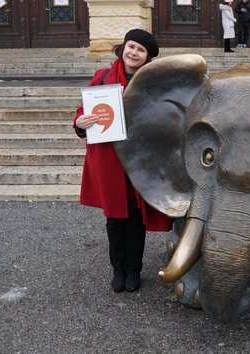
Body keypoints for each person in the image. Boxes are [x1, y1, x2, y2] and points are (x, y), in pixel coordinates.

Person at [73, 29, 173, 293]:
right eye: (131, 46)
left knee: (136, 216)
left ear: (147, 57)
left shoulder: (154, 84)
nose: (134, 53)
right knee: (115, 217)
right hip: (109, 159)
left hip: (140, 160)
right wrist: (80, 123)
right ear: (123, 48)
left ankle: (133, 270)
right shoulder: (102, 79)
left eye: (141, 50)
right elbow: (83, 112)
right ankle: (118, 269)